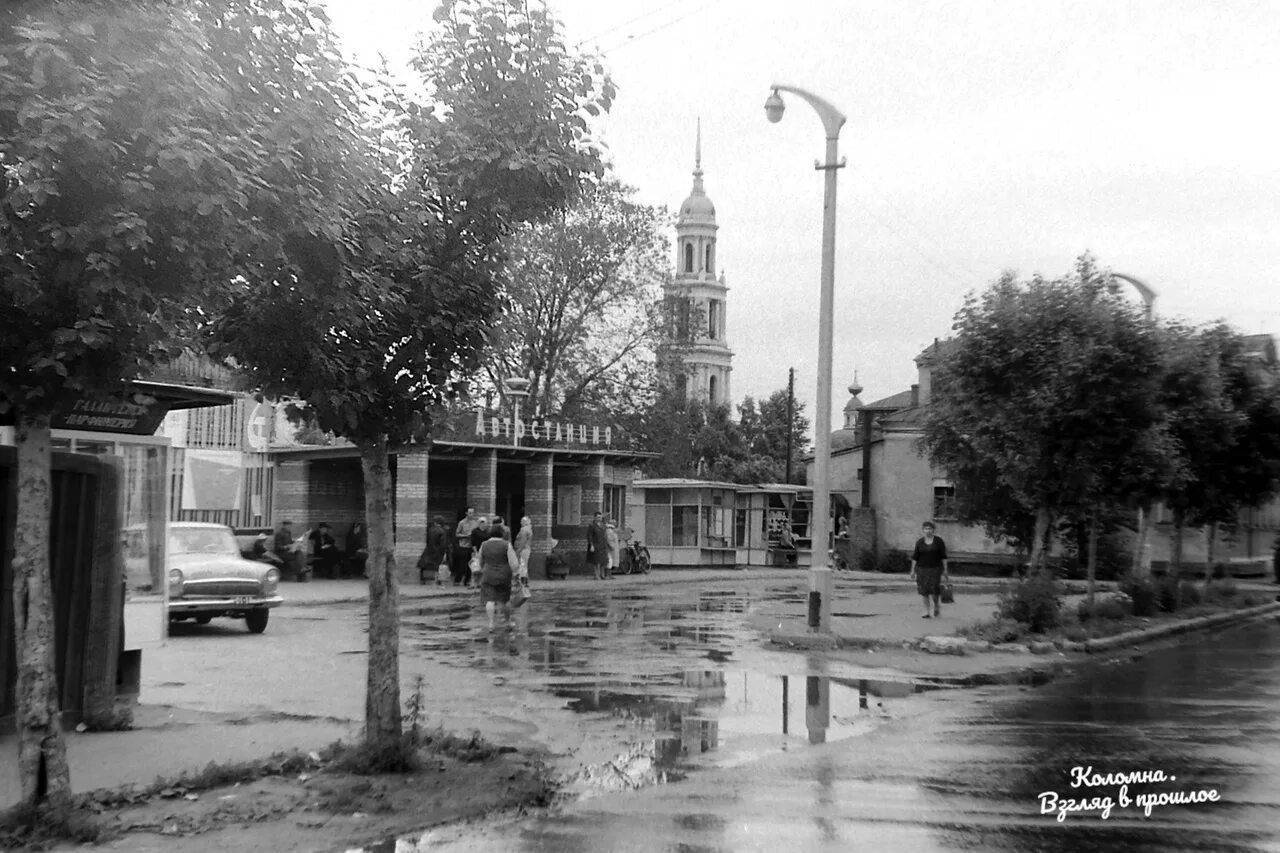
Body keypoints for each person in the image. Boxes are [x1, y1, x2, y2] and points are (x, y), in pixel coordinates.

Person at [477, 523, 519, 630]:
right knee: (505, 600)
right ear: (502, 533)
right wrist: (516, 573)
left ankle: (491, 623)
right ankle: (508, 621)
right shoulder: (506, 545)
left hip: (488, 574)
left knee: (489, 599)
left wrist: (482, 568)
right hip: (504, 575)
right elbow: (513, 563)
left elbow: (480, 560)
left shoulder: (484, 544)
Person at [909, 520, 949, 618]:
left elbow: (943, 556)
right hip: (922, 569)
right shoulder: (919, 542)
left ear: (933, 530)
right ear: (923, 530)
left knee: (934, 590)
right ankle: (926, 611)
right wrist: (912, 570)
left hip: (935, 569)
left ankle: (936, 606)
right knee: (924, 591)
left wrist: (945, 570)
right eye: (926, 528)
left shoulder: (939, 541)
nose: (928, 530)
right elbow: (915, 557)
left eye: (930, 528)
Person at [453, 507, 481, 586]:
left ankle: (467, 581)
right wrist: (466, 536)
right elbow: (457, 534)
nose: (471, 514)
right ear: (466, 513)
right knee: (462, 565)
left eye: (472, 513)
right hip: (463, 545)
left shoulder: (475, 523)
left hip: (472, 546)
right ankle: (457, 580)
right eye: (470, 513)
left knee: (471, 565)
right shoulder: (462, 523)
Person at [418, 517, 449, 586]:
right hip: (438, 551)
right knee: (438, 566)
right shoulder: (443, 531)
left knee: (424, 564)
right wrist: (444, 553)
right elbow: (443, 544)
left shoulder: (430, 530)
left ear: (435, 522)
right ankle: (438, 580)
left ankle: (422, 580)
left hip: (429, 550)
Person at [586, 511, 610, 580]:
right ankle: (596, 575)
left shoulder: (603, 525)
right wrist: (591, 545)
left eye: (600, 517)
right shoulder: (592, 525)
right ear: (595, 517)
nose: (599, 518)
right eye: (598, 517)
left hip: (603, 545)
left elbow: (605, 534)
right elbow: (589, 536)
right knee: (596, 561)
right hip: (596, 545)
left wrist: (607, 543)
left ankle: (602, 575)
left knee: (604, 561)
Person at [468, 516, 491, 587]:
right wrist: (476, 552)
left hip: (485, 551)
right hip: (476, 551)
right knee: (474, 568)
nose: (483, 524)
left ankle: (480, 583)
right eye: (481, 522)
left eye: (484, 522)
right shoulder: (475, 531)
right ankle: (473, 583)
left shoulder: (488, 531)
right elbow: (473, 542)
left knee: (482, 568)